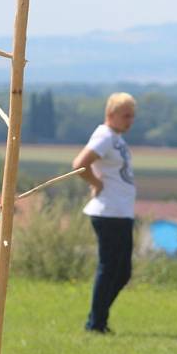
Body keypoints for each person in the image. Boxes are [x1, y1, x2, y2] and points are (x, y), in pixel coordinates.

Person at [72, 92, 137, 334]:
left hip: (120, 212)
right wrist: (96, 184)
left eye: (132, 116)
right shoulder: (105, 136)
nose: (130, 121)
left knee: (122, 272)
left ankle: (98, 318)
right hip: (109, 212)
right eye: (126, 116)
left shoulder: (115, 137)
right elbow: (79, 164)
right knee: (110, 268)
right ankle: (96, 323)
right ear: (111, 115)